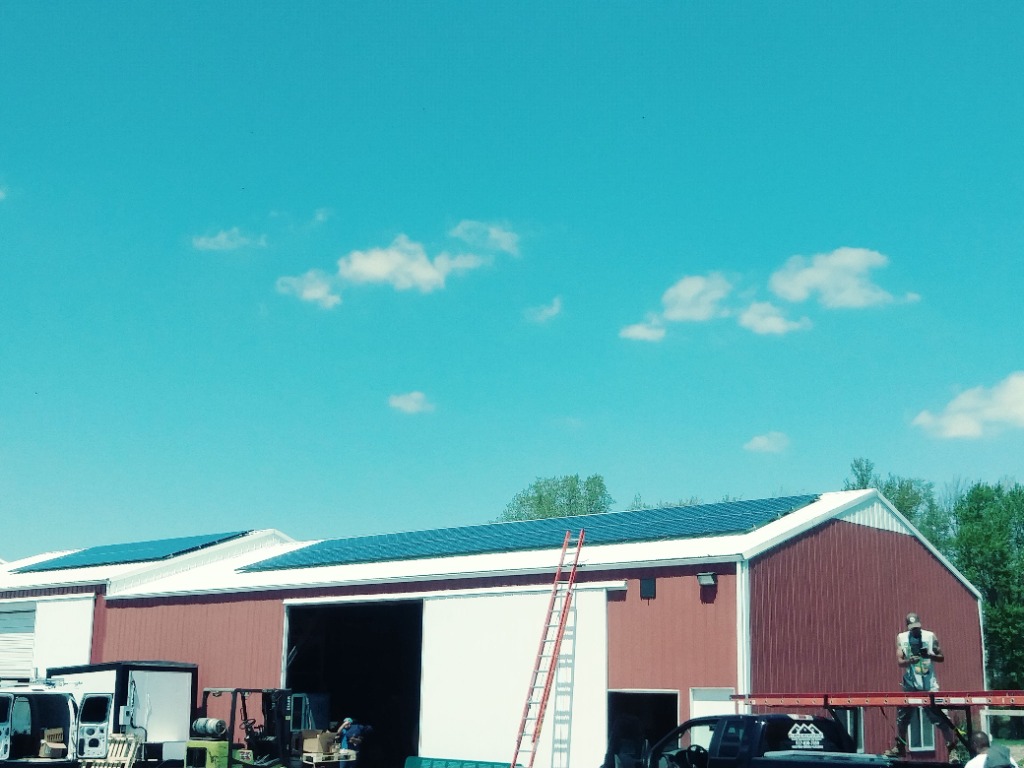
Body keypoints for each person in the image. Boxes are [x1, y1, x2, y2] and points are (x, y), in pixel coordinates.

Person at [885, 612, 958, 757]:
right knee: (903, 716)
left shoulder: (930, 636)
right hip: (911, 683)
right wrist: (909, 661)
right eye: (913, 628)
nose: (916, 631)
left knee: (941, 716)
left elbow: (941, 657)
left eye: (917, 627)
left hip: (928, 683)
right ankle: (900, 746)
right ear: (908, 627)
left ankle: (952, 750)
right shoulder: (902, 638)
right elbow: (900, 661)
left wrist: (930, 655)